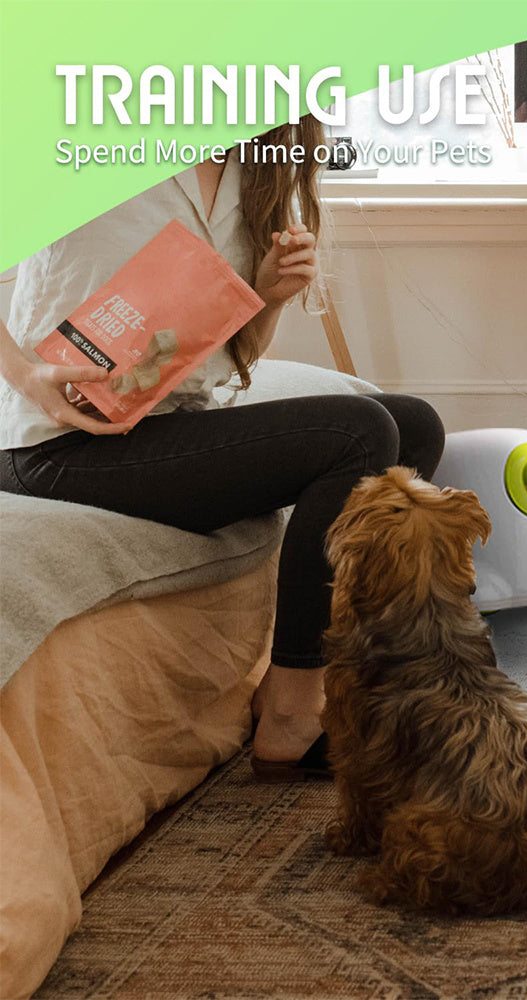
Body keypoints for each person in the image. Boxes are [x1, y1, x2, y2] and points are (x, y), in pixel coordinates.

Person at [0, 118, 445, 779]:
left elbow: (233, 359)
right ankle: (294, 709)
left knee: (413, 425)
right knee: (359, 433)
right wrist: (30, 375)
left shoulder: (256, 170)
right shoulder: (93, 134)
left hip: (168, 422)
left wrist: (264, 297)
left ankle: (340, 670)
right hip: (61, 444)